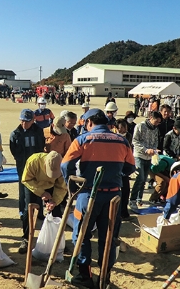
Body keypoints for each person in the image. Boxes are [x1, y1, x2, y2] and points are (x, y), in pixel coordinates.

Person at [61, 109, 135, 288]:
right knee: (108, 236)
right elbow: (131, 168)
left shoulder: (83, 139)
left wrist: (72, 188)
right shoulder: (122, 140)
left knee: (82, 235)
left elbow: (65, 165)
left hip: (88, 194)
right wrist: (115, 174)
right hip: (113, 196)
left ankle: (85, 275)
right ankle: (104, 276)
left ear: (89, 123)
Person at [18, 151, 66, 254]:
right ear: (45, 163)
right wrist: (41, 192)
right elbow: (26, 180)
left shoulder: (63, 167)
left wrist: (54, 201)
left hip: (51, 187)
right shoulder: (33, 161)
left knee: (57, 212)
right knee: (29, 209)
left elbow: (61, 187)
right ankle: (26, 239)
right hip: (33, 184)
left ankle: (58, 240)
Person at [9, 109, 45, 217]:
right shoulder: (15, 134)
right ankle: (23, 212)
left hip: (37, 165)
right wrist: (20, 159)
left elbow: (41, 145)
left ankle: (39, 212)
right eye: (22, 121)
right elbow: (13, 149)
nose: (24, 124)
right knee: (23, 188)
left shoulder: (38, 131)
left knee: (38, 187)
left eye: (27, 121)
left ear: (33, 121)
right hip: (23, 165)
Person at [129, 111, 162, 208]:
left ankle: (139, 199)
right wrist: (146, 150)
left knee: (144, 180)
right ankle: (133, 200)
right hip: (139, 155)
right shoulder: (140, 126)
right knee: (140, 178)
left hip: (149, 157)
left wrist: (154, 150)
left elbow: (156, 141)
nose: (157, 124)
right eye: (156, 121)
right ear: (151, 118)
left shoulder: (155, 129)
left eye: (158, 123)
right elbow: (135, 141)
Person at [116, 118, 133, 219]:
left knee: (126, 190)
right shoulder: (113, 137)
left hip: (126, 165)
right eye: (121, 128)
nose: (123, 130)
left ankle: (124, 211)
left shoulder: (129, 136)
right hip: (117, 165)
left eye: (125, 127)